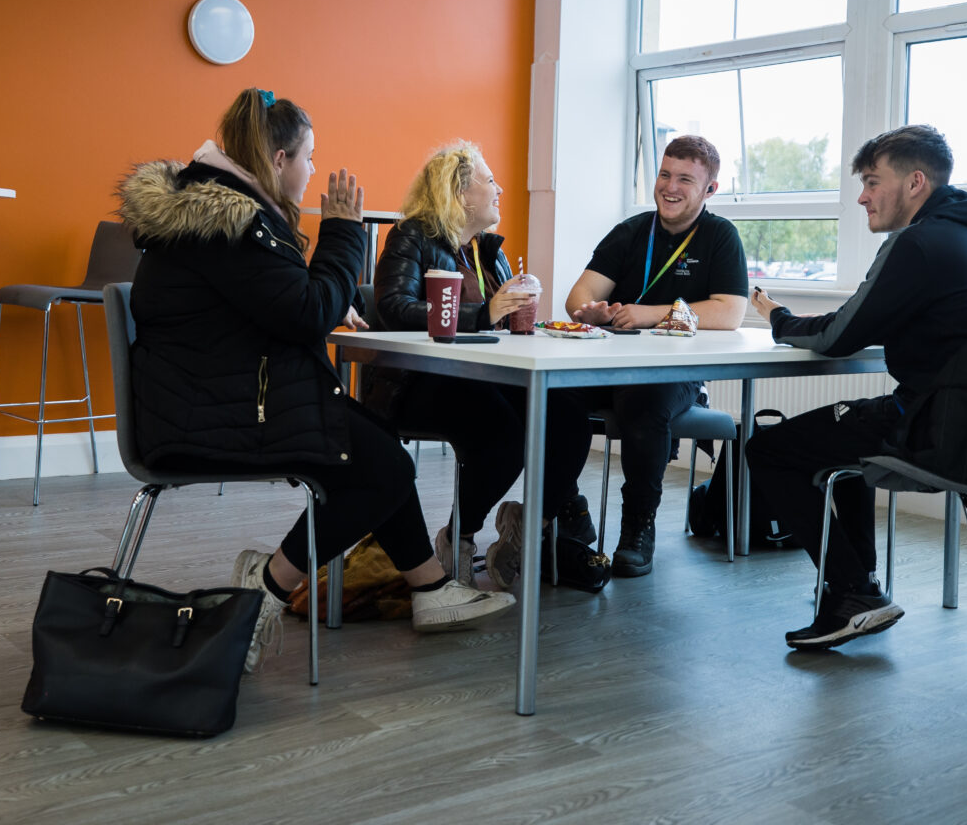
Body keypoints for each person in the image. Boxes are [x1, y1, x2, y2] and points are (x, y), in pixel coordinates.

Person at [117, 88, 513, 672]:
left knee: (378, 448)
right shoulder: (237, 224)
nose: (313, 172)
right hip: (216, 413)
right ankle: (270, 583)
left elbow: (275, 306)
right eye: (308, 157)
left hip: (215, 394)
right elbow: (301, 311)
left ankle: (429, 589)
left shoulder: (219, 212)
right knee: (382, 467)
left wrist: (323, 301)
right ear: (279, 161)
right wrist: (342, 232)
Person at [748, 124, 967, 651]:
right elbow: (865, 321)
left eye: (873, 182)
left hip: (942, 426)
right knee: (844, 435)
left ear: (915, 182)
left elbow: (837, 336)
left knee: (768, 449)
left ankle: (854, 592)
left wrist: (780, 319)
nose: (862, 196)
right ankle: (860, 592)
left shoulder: (918, 242)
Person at [370, 142, 601, 590]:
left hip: (485, 378)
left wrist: (522, 309)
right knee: (504, 435)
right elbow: (394, 308)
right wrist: (483, 313)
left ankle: (528, 527)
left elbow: (503, 327)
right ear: (459, 192)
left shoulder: (488, 251)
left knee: (571, 416)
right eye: (489, 180)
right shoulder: (411, 237)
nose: (499, 188)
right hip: (420, 383)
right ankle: (460, 536)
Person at [562, 134, 749, 576]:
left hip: (674, 374)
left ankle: (637, 528)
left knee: (644, 399)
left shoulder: (720, 237)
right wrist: (591, 310)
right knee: (551, 394)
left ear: (709, 190)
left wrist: (649, 315)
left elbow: (729, 312)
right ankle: (566, 511)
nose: (671, 186)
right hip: (607, 368)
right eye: (665, 174)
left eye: (686, 179)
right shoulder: (632, 231)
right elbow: (579, 296)